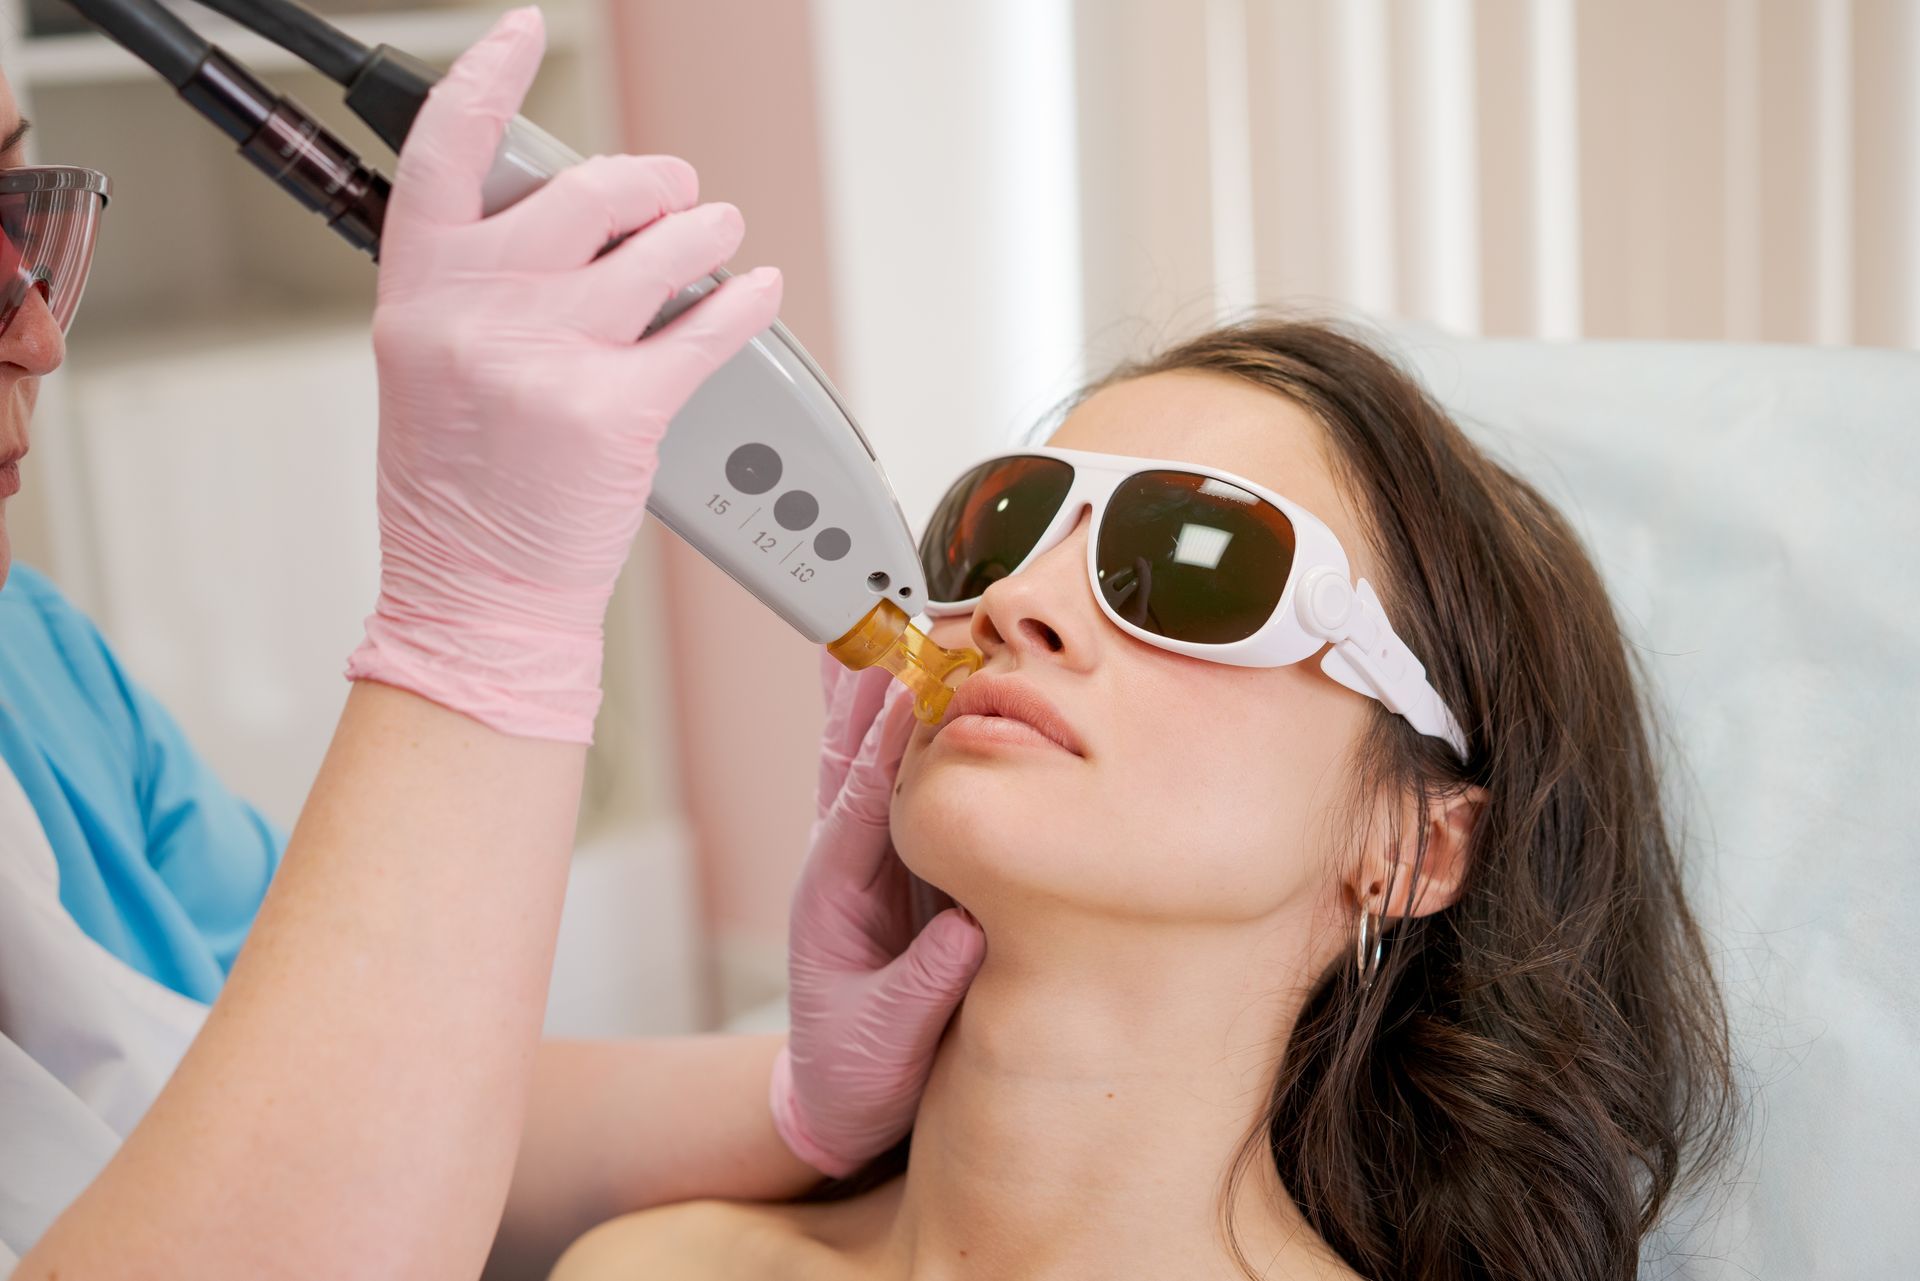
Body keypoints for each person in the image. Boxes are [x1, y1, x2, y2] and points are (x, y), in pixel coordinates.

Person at [0, 9, 983, 1278]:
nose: (38, 336)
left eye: (19, 214)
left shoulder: (37, 676)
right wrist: (473, 631)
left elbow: (362, 1103)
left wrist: (799, 1105)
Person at [549, 319, 1741, 1280]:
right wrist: (794, 1111)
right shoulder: (651, 1262)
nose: (1020, 600)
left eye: (1193, 563)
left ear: (1415, 843)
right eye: (995, 529)